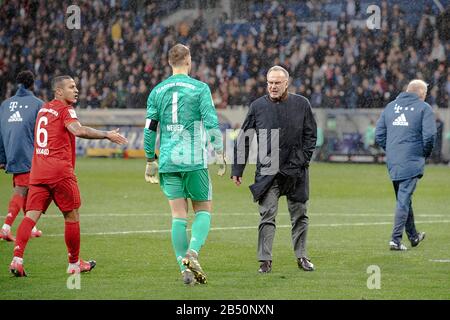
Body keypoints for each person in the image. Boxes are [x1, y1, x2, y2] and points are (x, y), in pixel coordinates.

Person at [9, 75, 128, 277]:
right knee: (72, 216)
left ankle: (17, 259)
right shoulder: (66, 110)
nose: (76, 90)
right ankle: (74, 264)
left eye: (76, 87)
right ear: (59, 91)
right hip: (59, 172)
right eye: (71, 87)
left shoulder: (44, 109)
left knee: (31, 215)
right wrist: (106, 134)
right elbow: (78, 130)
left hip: (38, 171)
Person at [143, 44, 225, 285]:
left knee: (178, 216)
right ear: (189, 61)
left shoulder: (157, 91)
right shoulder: (200, 89)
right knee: (203, 210)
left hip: (168, 161)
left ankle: (184, 269)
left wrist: (150, 159)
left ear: (170, 62)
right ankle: (192, 253)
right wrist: (219, 151)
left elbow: (150, 129)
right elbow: (211, 121)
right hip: (193, 160)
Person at [231, 66, 317, 273]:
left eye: (277, 83)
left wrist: (303, 159)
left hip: (296, 171)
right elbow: (244, 138)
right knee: (267, 215)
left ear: (286, 83)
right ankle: (265, 260)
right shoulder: (257, 106)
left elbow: (311, 135)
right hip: (269, 171)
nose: (273, 86)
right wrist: (237, 169)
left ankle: (302, 256)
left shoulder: (302, 104)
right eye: (270, 82)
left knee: (300, 215)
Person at [375, 79, 436, 251]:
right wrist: (423, 153)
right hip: (412, 160)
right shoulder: (424, 108)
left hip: (394, 160)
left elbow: (379, 134)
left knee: (404, 198)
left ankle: (413, 236)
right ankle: (395, 239)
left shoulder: (390, 106)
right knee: (403, 199)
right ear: (421, 94)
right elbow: (430, 136)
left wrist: (393, 149)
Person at [0, 70, 44, 242]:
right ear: (32, 85)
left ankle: (31, 226)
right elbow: (41, 133)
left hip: (11, 150)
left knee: (27, 189)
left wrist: (2, 158)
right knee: (22, 190)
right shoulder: (38, 104)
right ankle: (6, 227)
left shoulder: (5, 105)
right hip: (27, 153)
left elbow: (0, 133)